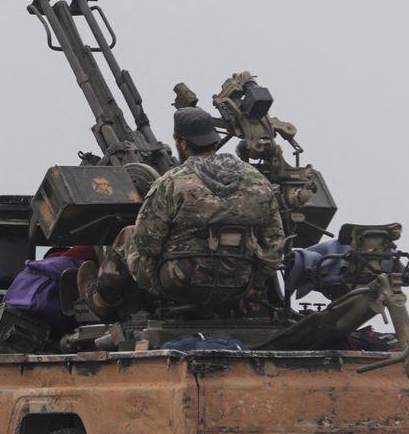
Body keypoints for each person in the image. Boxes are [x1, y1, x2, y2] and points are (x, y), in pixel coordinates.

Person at [78, 107, 286, 318]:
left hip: (179, 281)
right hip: (238, 282)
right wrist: (254, 283)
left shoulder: (172, 182)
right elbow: (275, 243)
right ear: (214, 139)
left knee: (127, 235)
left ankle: (102, 300)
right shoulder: (259, 181)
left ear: (183, 144)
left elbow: (146, 243)